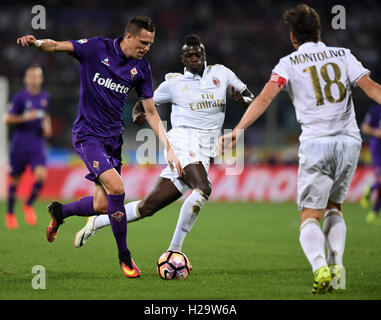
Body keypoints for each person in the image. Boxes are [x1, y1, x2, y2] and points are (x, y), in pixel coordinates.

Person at [218, 4, 381, 294]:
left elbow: (266, 97)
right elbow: (370, 87)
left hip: (316, 143)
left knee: (309, 216)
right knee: (335, 207)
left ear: (293, 37)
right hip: (349, 142)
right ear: (319, 31)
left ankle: (320, 265)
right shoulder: (344, 55)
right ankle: (337, 263)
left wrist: (238, 130)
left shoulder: (288, 63)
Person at [16, 16, 182, 278]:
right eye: (143, 42)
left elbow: (150, 111)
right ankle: (125, 257)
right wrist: (37, 43)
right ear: (129, 36)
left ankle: (60, 212)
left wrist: (168, 147)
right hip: (87, 135)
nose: (147, 47)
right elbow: (57, 46)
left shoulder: (143, 69)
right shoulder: (96, 49)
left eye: (150, 43)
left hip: (112, 139)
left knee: (103, 204)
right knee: (118, 189)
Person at [73, 34, 254, 262]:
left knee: (146, 208)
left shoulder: (222, 74)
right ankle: (174, 250)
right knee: (203, 188)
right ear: (183, 59)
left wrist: (243, 100)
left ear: (204, 55)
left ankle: (97, 222)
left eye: (198, 54)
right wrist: (137, 114)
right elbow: (143, 104)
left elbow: (250, 98)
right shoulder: (174, 83)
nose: (194, 58)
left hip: (205, 150)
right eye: (189, 55)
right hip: (182, 141)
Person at [3, 66, 52, 229]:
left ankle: (28, 204)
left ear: (41, 79)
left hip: (37, 142)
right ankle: (10, 213)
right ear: (25, 79)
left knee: (41, 176)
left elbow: (45, 115)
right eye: (30, 76)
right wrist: (26, 117)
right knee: (15, 179)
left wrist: (47, 126)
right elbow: (7, 119)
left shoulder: (45, 97)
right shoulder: (19, 98)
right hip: (20, 142)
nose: (34, 79)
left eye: (37, 76)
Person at [360, 105, 381, 224]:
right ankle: (370, 189)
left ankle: (374, 212)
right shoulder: (376, 109)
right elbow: (364, 127)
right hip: (378, 147)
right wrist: (376, 132)